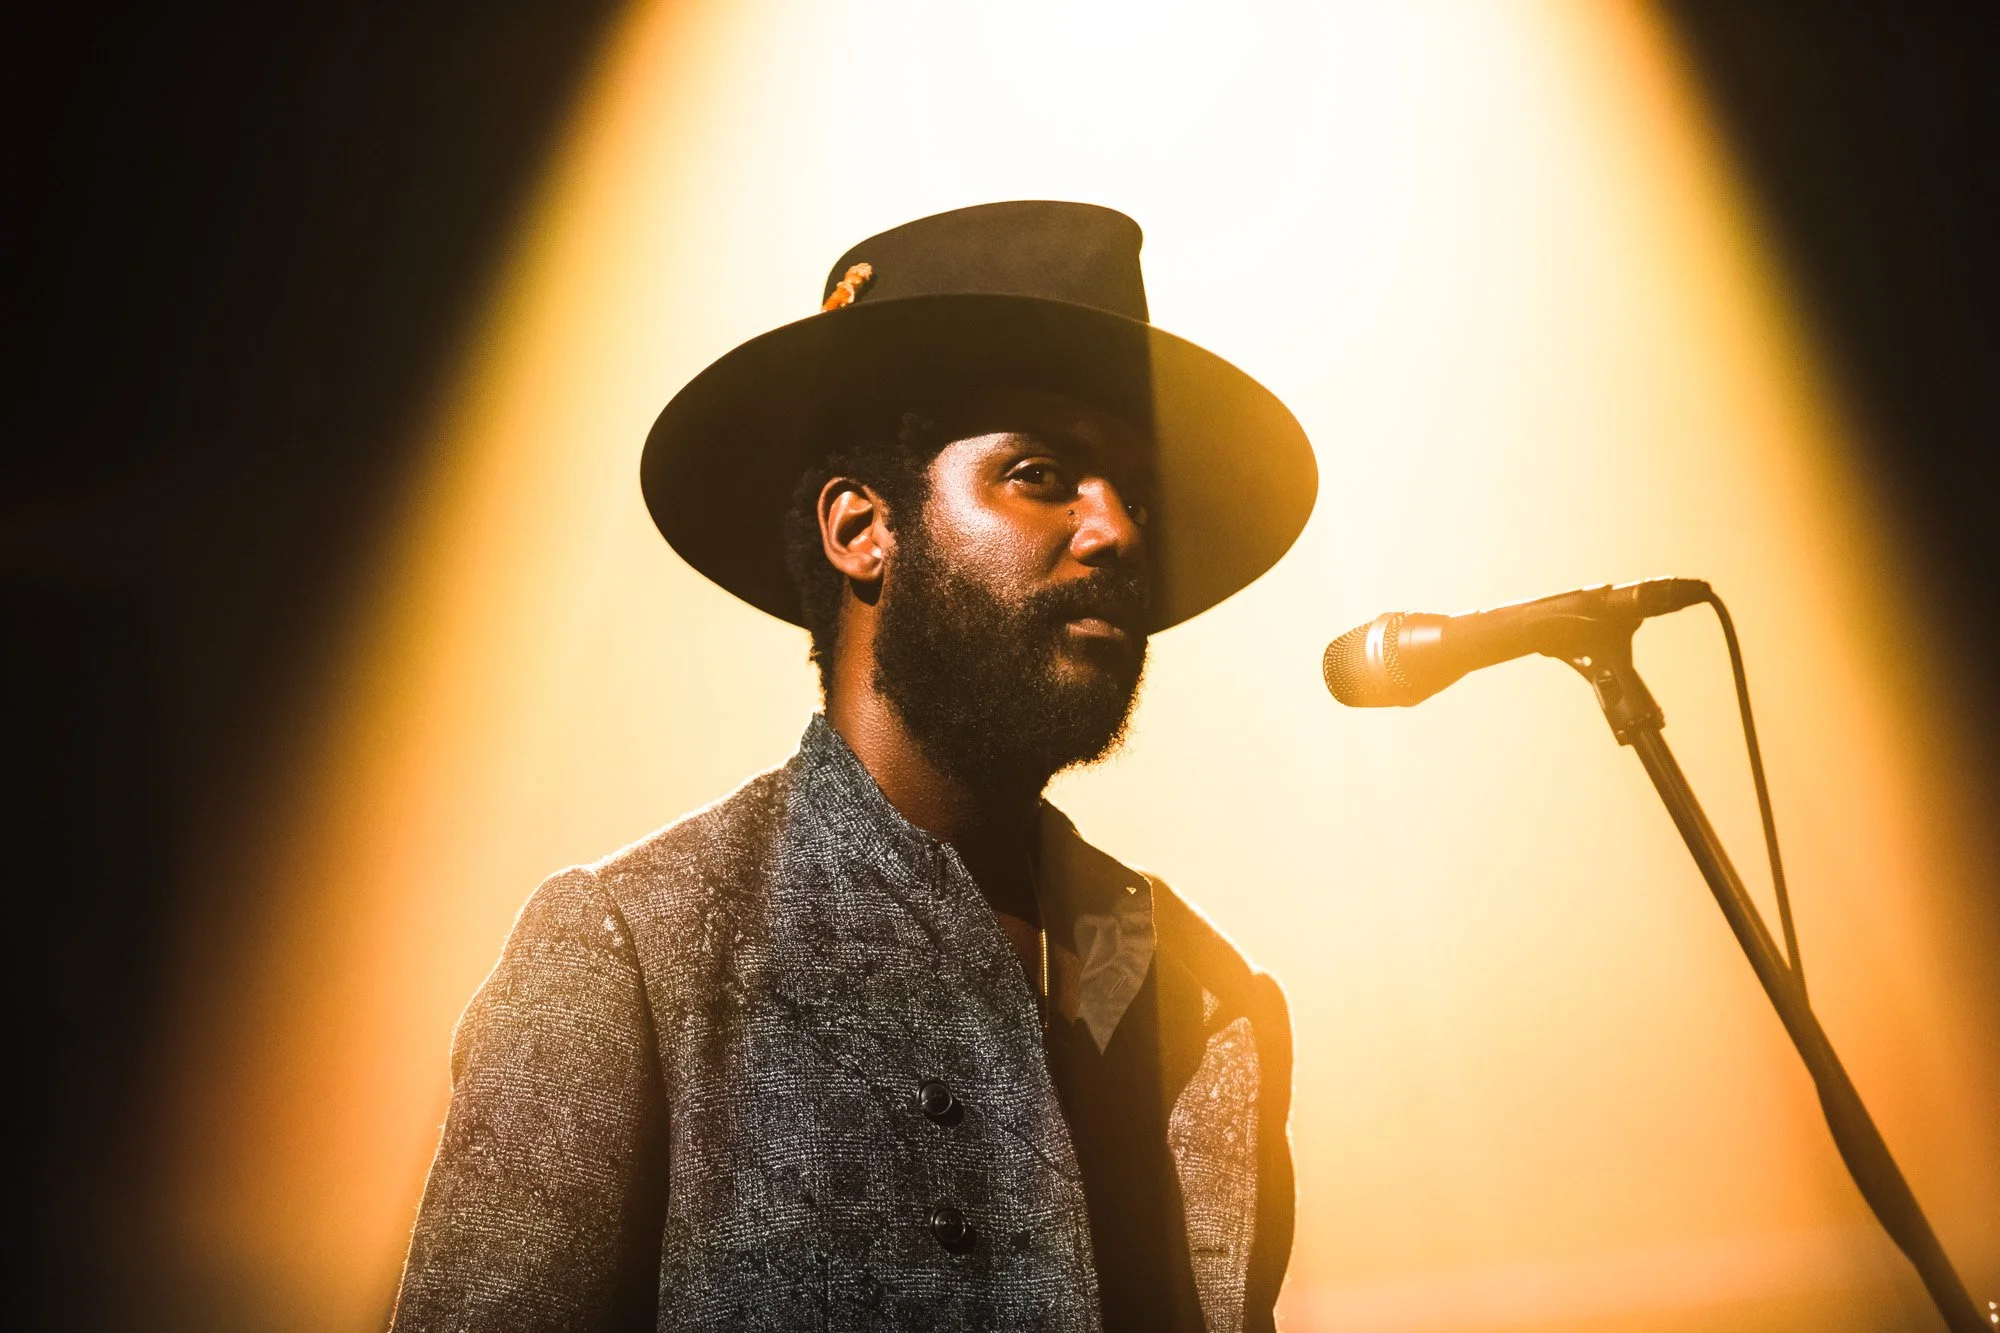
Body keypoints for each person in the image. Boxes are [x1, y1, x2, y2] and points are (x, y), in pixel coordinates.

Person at [389, 200, 1318, 1332]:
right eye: (1041, 474)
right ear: (860, 530)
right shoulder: (634, 953)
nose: (1115, 529)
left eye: (1137, 494)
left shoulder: (1205, 995)